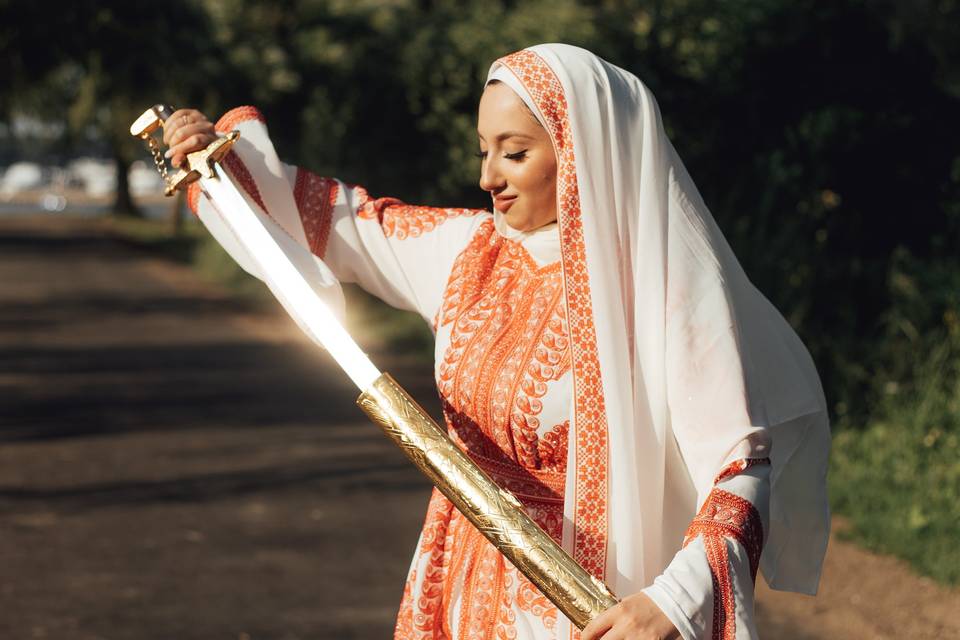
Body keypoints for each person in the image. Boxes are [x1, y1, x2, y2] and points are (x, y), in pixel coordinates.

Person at [163, 44, 830, 640]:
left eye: (514, 152)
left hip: (587, 604)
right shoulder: (469, 253)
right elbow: (347, 223)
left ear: (583, 151)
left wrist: (668, 604)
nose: (488, 177)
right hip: (459, 581)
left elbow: (739, 470)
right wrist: (223, 168)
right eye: (484, 150)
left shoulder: (662, 293)